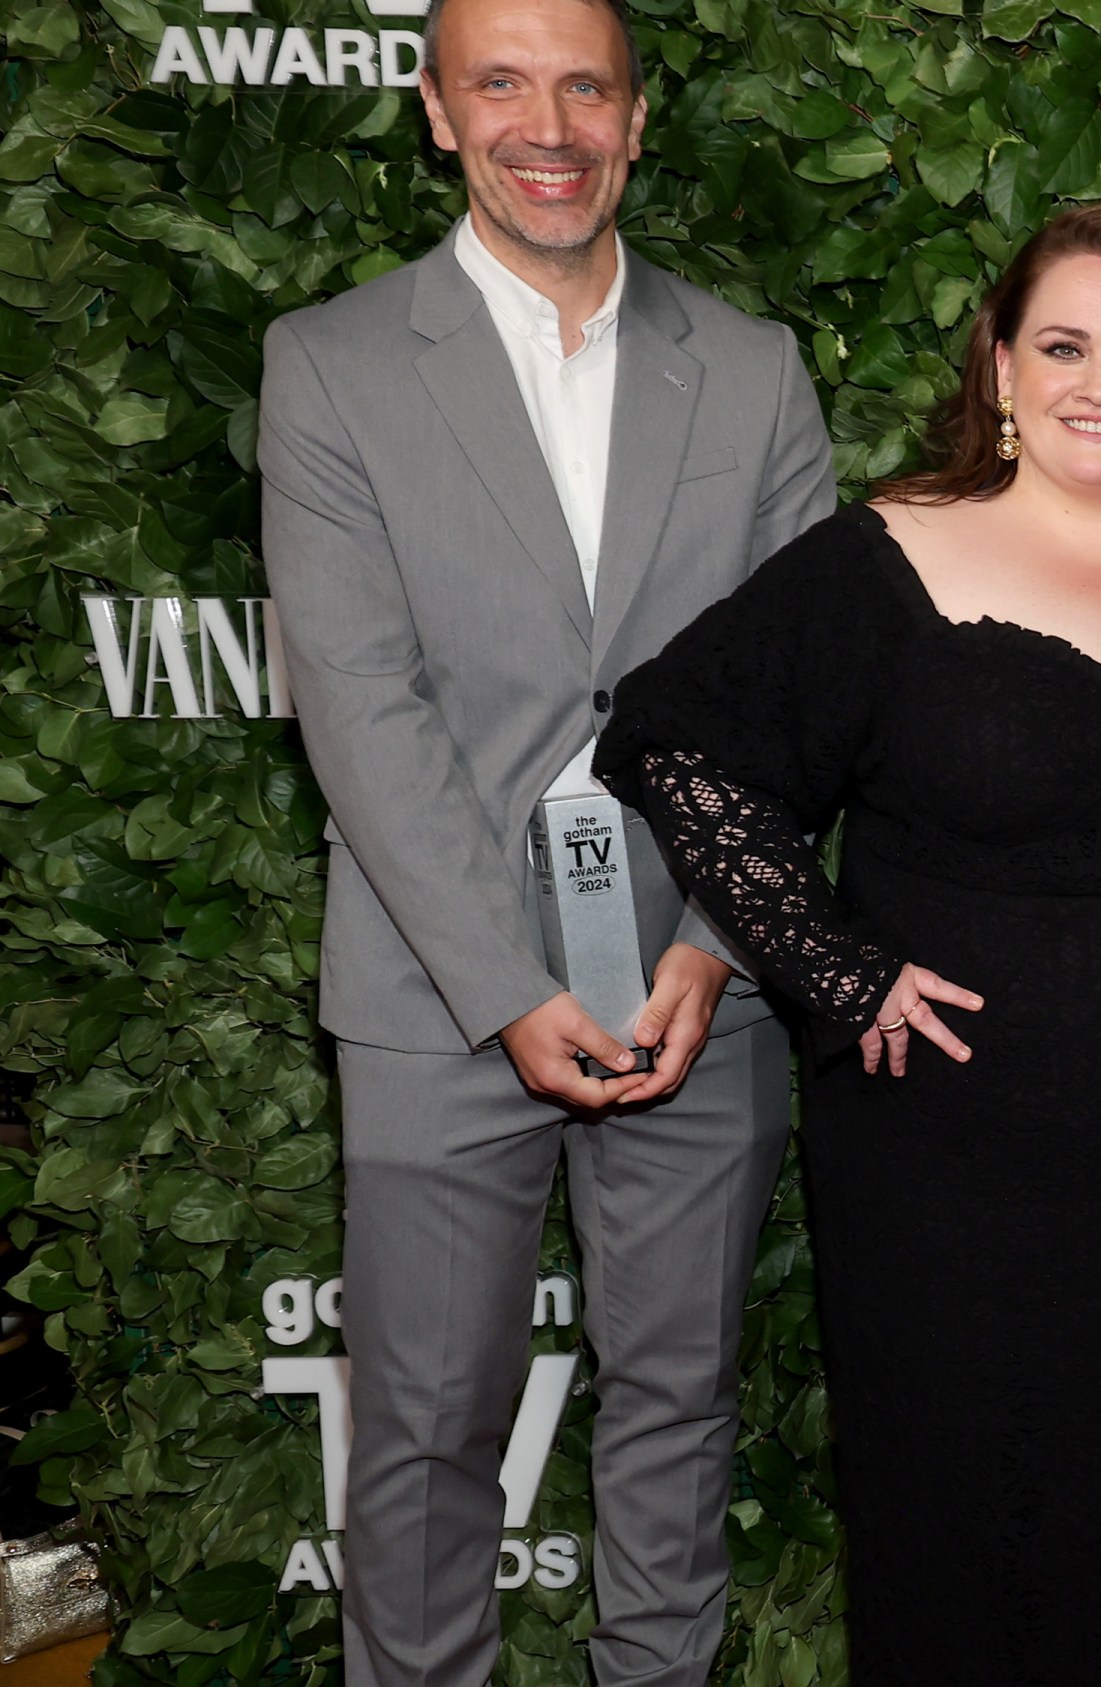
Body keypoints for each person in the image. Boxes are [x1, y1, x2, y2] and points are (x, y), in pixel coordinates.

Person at [593, 203, 1101, 1684]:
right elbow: (675, 739)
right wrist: (839, 971)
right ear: (1000, 368)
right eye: (1065, 346)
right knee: (985, 1537)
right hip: (964, 1185)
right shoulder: (887, 559)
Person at [256, 0, 834, 1679]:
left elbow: (804, 699)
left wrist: (712, 951)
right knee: (427, 1437)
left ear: (638, 118)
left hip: (690, 996)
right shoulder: (333, 363)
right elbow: (360, 711)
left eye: (586, 84)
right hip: (440, 1000)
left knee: (677, 1418)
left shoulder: (752, 366)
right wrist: (510, 990)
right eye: (502, 83)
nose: (550, 124)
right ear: (437, 112)